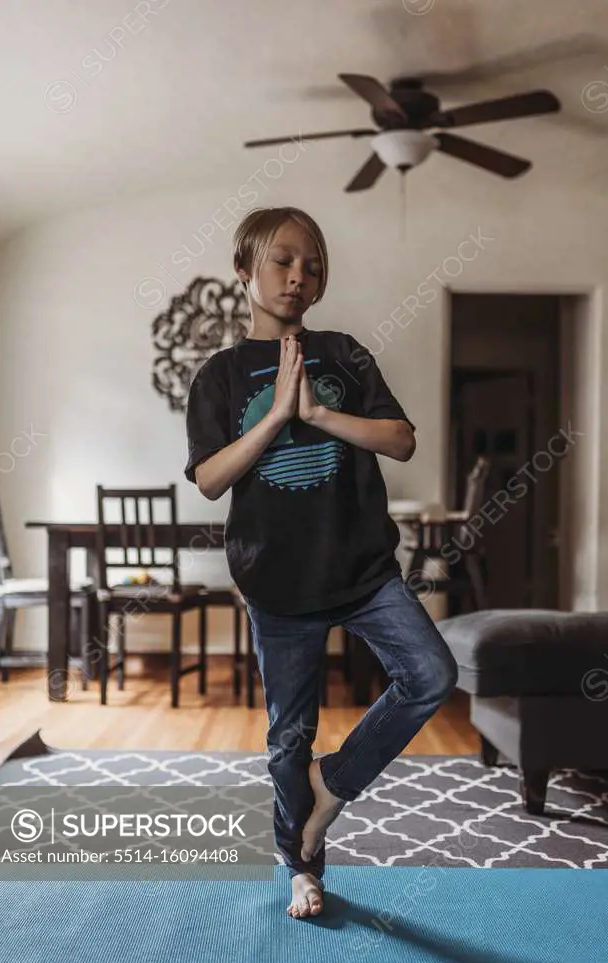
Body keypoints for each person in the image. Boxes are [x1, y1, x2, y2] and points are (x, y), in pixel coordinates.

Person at [184, 206, 458, 919]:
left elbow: (400, 440)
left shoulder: (344, 353)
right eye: (281, 261)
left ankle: (332, 784)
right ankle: (303, 866)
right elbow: (210, 478)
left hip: (363, 571)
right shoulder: (218, 376)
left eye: (311, 265)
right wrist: (274, 416)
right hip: (275, 581)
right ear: (244, 271)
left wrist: (316, 412)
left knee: (431, 673)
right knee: (287, 739)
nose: (298, 276)